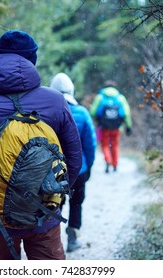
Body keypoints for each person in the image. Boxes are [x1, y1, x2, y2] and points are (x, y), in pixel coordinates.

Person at [0, 30, 82, 260]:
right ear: (32, 60)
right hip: (44, 212)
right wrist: (52, 193)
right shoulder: (55, 101)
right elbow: (73, 156)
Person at [50, 73, 96, 252]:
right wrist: (88, 166)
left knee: (53, 204)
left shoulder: (46, 113)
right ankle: (73, 238)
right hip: (79, 170)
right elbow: (90, 145)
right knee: (76, 202)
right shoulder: (82, 113)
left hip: (53, 172)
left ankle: (53, 243)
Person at [90, 80, 132, 173]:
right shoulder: (120, 97)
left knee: (105, 144)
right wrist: (128, 126)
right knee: (115, 145)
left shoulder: (100, 97)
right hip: (116, 127)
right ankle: (115, 164)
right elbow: (126, 113)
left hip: (104, 126)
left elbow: (93, 112)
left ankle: (108, 161)